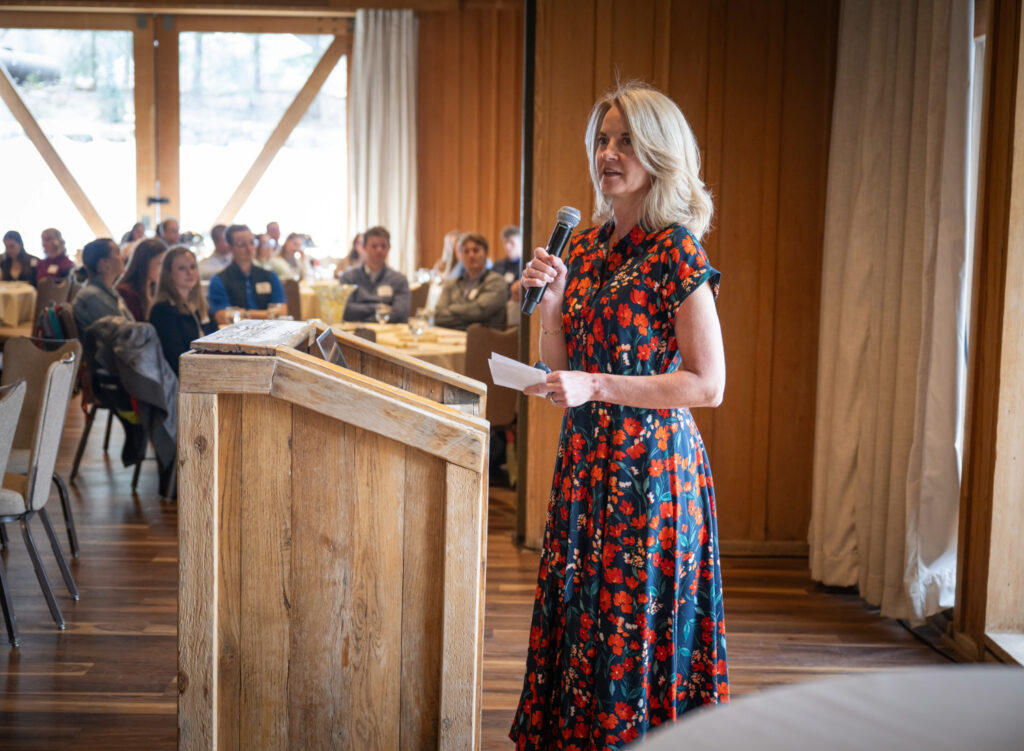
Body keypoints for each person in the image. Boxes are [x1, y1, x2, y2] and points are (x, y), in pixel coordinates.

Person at [510, 82, 728, 749]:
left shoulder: (677, 251)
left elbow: (708, 383)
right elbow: (562, 361)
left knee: (633, 626)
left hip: (651, 476)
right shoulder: (590, 247)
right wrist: (551, 304)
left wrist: (595, 384)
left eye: (626, 140)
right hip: (585, 466)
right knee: (583, 622)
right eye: (602, 140)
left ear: (659, 152)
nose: (609, 153)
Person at [149, 246, 217, 375]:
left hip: (209, 372)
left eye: (192, 267)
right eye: (182, 268)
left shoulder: (199, 305)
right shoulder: (162, 310)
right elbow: (176, 359)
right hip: (184, 380)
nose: (190, 272)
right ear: (168, 274)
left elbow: (218, 341)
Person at [207, 224, 287, 324]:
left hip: (268, 331)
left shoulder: (270, 276)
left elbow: (282, 312)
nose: (249, 249)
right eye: (242, 245)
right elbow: (221, 316)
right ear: (230, 247)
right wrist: (266, 314)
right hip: (234, 335)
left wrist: (244, 314)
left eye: (252, 243)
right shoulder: (219, 280)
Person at [433, 233, 509, 330]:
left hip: (485, 340)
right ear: (460, 256)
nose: (471, 255)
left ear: (485, 253)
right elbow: (438, 316)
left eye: (476, 250)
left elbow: (479, 312)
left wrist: (452, 309)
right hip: (453, 338)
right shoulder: (451, 284)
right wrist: (472, 319)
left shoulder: (496, 282)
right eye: (466, 251)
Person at [337, 226, 411, 323]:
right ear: (364, 247)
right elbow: (345, 310)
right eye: (374, 246)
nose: (379, 250)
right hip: (355, 333)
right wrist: (378, 308)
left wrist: (366, 318)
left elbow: (400, 313)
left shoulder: (399, 280)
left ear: (389, 248)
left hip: (389, 332)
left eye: (383, 246)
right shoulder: (348, 278)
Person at [73, 238, 134, 334]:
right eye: (117, 253)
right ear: (104, 264)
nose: (122, 258)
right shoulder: (92, 297)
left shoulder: (108, 291)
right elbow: (124, 333)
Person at [116, 238, 165, 321]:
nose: (163, 270)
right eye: (160, 263)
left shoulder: (155, 289)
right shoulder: (126, 292)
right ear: (145, 262)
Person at [493, 224, 523, 301]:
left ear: (521, 243)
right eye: (506, 242)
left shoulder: (525, 267)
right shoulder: (497, 265)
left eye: (511, 242)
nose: (507, 246)